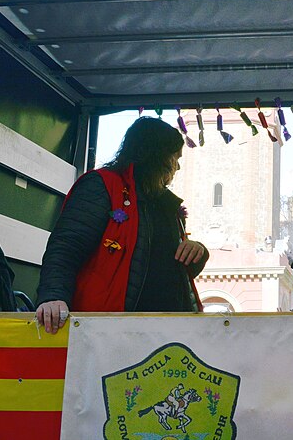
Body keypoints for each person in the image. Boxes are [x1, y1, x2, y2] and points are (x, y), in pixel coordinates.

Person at [36, 116, 209, 333]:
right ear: (158, 155)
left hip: (168, 330)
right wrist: (54, 296)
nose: (178, 167)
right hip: (112, 330)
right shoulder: (102, 186)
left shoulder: (167, 205)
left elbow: (170, 267)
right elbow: (66, 245)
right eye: (176, 157)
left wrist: (198, 252)